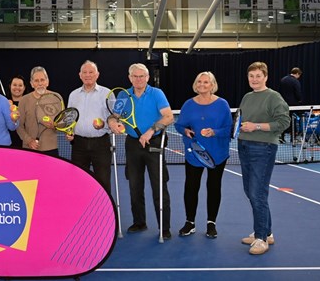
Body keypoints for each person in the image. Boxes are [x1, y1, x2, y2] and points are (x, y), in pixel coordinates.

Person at [107, 63, 174, 240]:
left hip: (154, 144)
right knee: (134, 186)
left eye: (142, 76)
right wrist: (113, 123)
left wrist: (151, 131)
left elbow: (168, 116)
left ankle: (164, 228)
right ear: (130, 78)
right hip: (133, 145)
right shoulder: (124, 95)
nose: (138, 79)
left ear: (147, 78)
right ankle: (139, 222)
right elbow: (114, 116)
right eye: (135, 76)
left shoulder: (156, 94)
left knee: (159, 187)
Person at [237, 61, 289, 255]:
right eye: (251, 76)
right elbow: (241, 121)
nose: (254, 79)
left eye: (258, 76)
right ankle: (267, 232)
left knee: (257, 193)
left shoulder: (274, 97)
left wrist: (256, 126)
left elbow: (283, 121)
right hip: (244, 146)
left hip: (263, 148)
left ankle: (261, 239)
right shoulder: (247, 97)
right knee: (251, 191)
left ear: (265, 77)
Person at [174, 72, 232, 239]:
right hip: (194, 154)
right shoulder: (188, 104)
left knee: (214, 188)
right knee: (191, 187)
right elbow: (179, 126)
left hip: (217, 154)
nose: (202, 85)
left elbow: (229, 129)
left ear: (212, 85)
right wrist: (185, 130)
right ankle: (189, 222)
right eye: (199, 81)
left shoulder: (222, 104)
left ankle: (211, 223)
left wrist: (214, 132)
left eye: (206, 82)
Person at [66, 61, 112, 194]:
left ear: (97, 75)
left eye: (91, 72)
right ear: (80, 75)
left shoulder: (107, 94)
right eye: (84, 72)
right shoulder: (73, 95)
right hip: (78, 145)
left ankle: (105, 213)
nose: (88, 75)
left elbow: (114, 118)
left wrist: (103, 124)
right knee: (79, 181)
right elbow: (70, 118)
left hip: (101, 144)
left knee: (103, 182)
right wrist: (70, 131)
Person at [16, 66, 61, 157]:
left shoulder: (57, 97)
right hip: (30, 149)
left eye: (42, 80)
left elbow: (62, 124)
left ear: (47, 82)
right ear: (31, 84)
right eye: (36, 81)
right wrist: (29, 141)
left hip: (51, 149)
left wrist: (55, 125)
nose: (40, 83)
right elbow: (19, 126)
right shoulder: (24, 100)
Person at [278, 67, 302, 142]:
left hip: (282, 104)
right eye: (299, 75)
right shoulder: (295, 81)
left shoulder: (283, 79)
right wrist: (299, 100)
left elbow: (279, 92)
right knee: (293, 120)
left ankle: (281, 137)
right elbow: (298, 93)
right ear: (297, 74)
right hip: (293, 105)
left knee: (284, 120)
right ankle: (293, 138)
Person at [7, 75, 27, 149]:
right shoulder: (3, 103)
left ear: (24, 88)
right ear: (10, 86)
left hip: (25, 143)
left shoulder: (29, 103)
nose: (17, 88)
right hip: (7, 143)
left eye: (20, 85)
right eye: (14, 85)